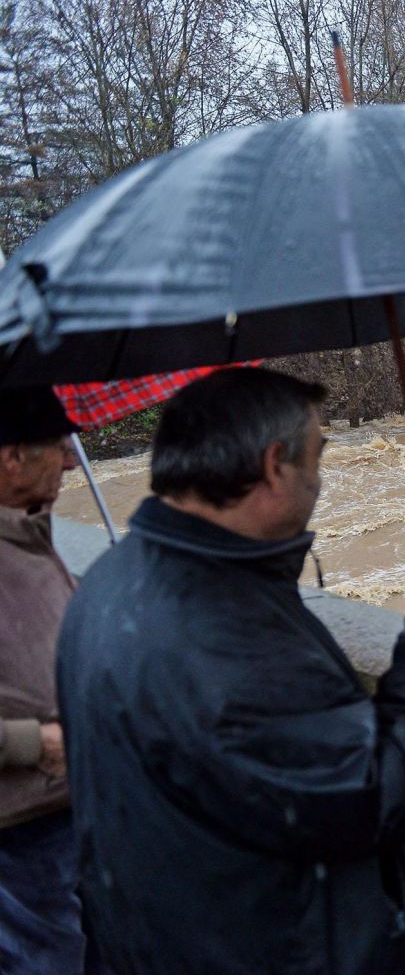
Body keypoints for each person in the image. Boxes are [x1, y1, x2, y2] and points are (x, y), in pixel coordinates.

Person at [57, 367, 405, 975]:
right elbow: (372, 795)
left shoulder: (107, 581)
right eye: (317, 457)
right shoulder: (236, 649)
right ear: (274, 465)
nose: (320, 480)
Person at [0, 386, 90, 974]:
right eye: (57, 447)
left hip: (63, 815)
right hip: (16, 837)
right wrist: (37, 743)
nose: (71, 461)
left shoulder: (28, 534)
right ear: (10, 457)